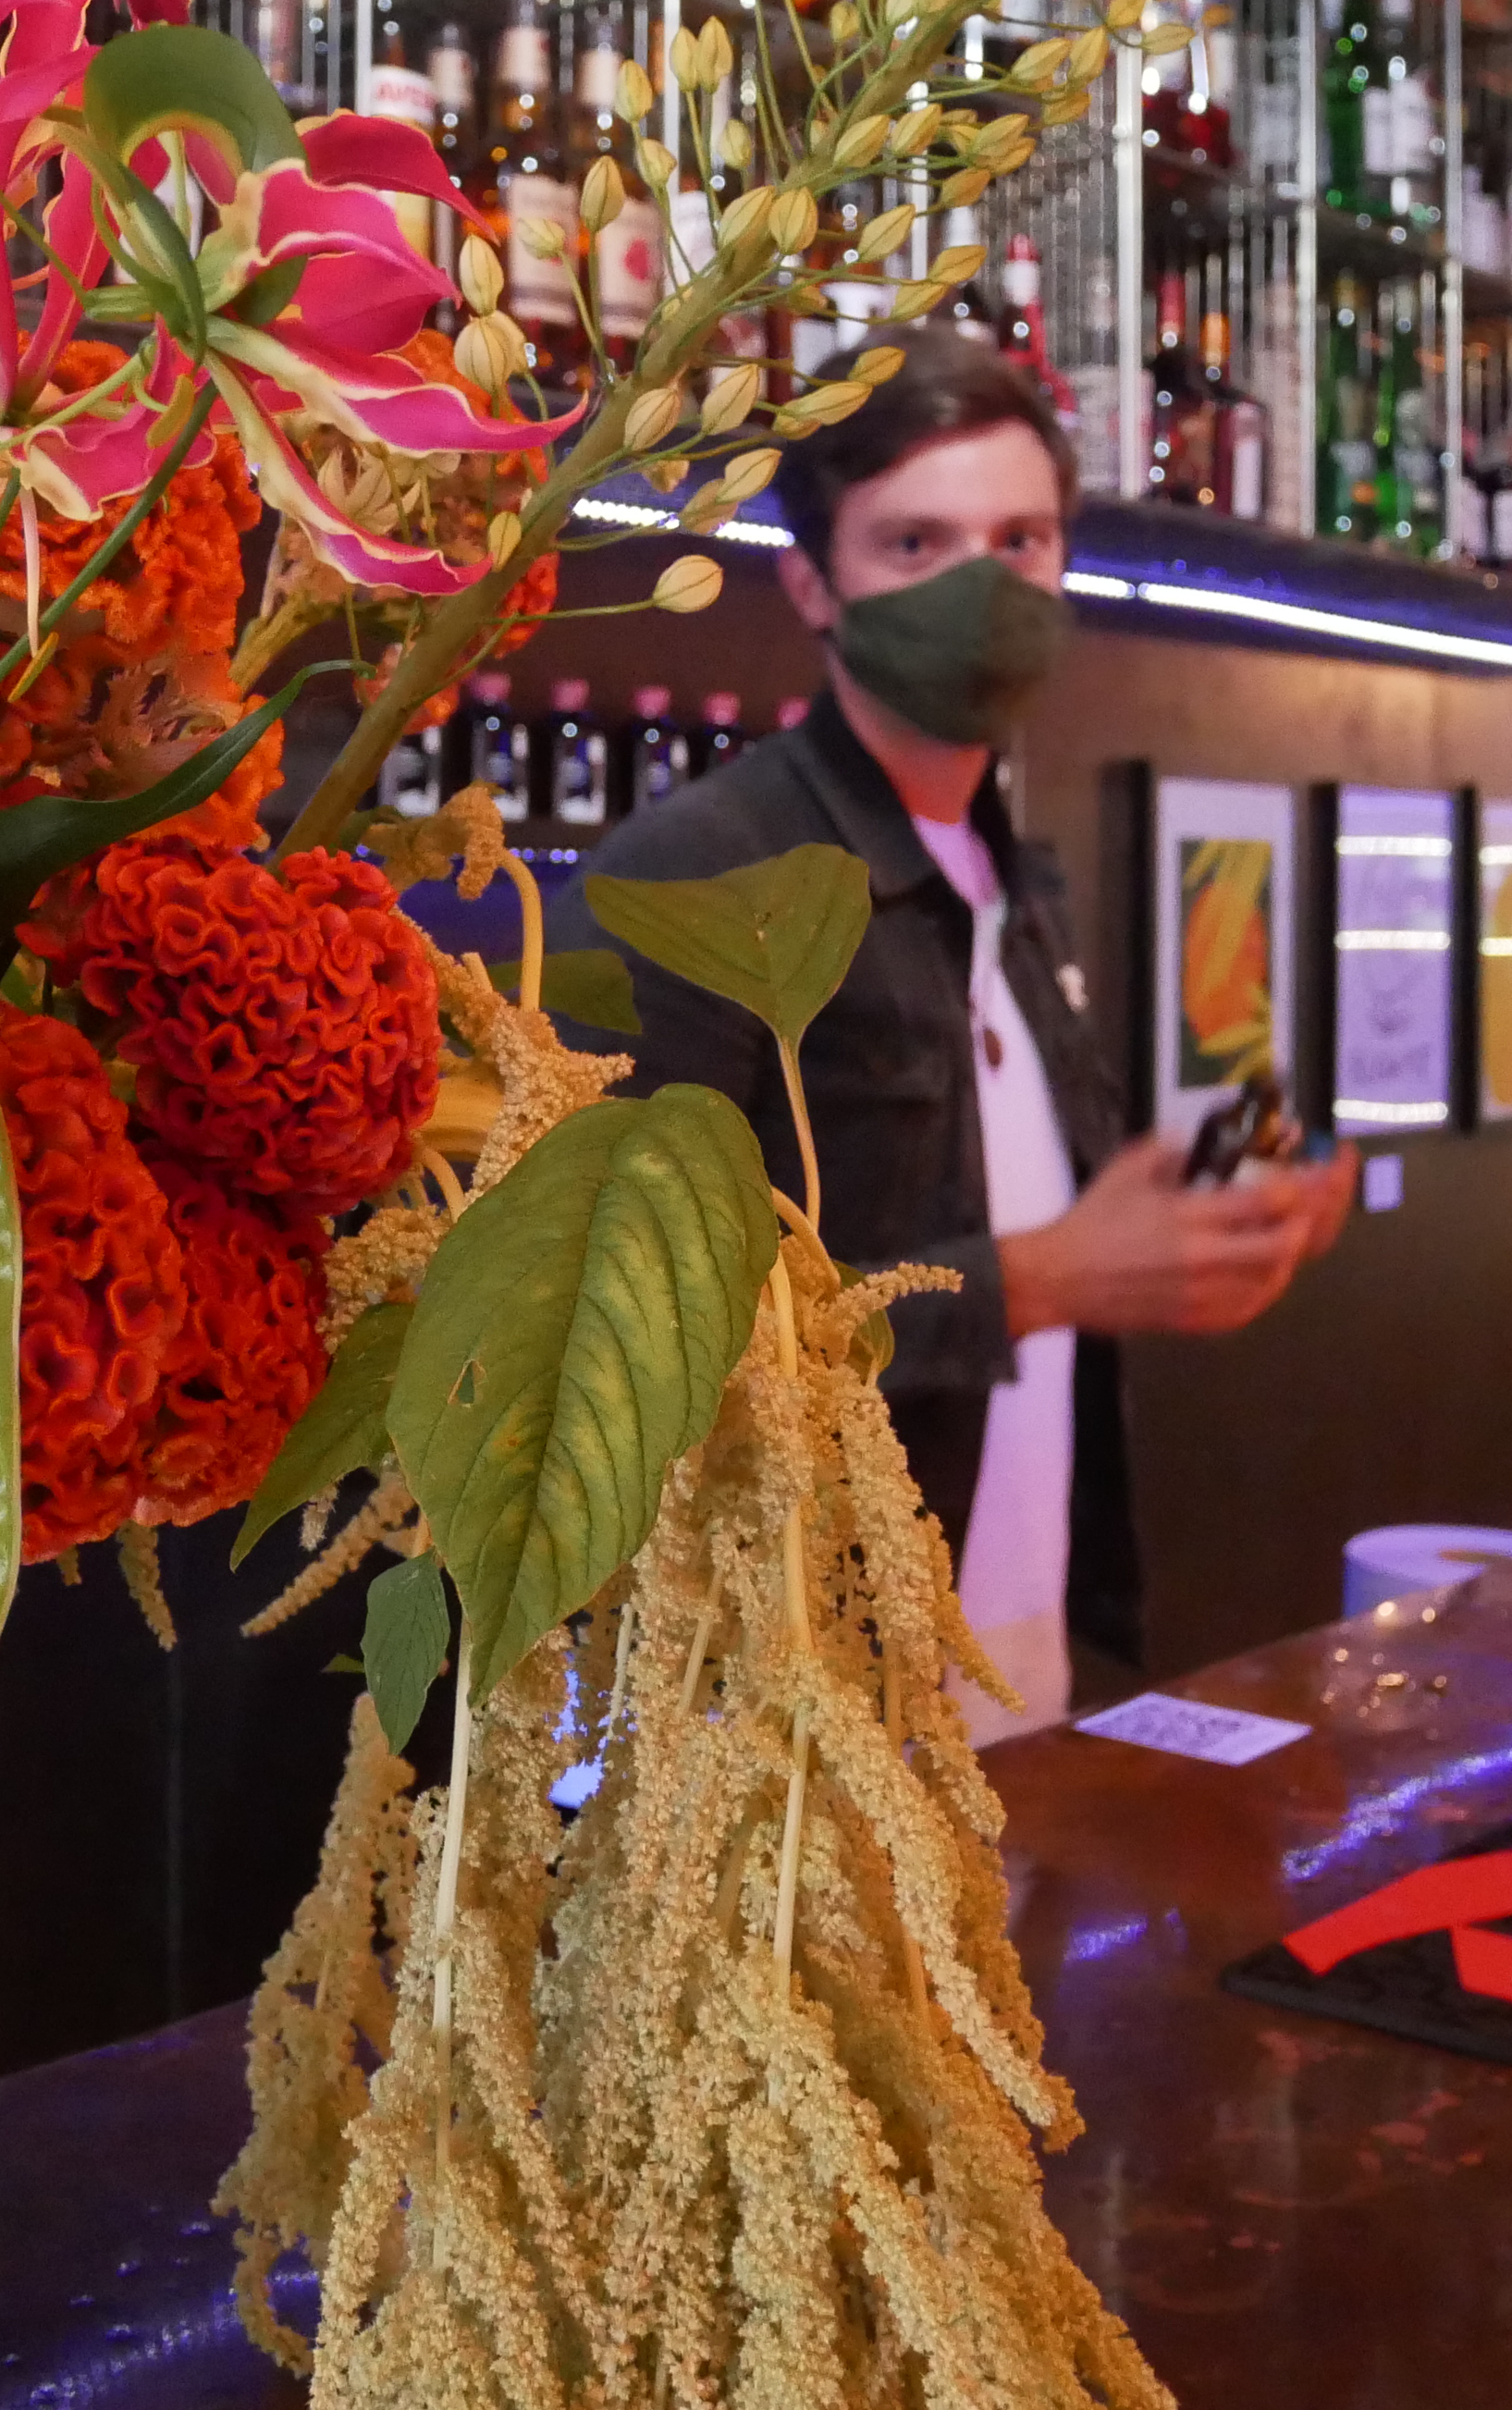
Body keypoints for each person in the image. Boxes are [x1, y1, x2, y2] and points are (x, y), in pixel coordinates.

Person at [566, 330, 1355, 1738]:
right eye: (917, 542)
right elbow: (627, 1348)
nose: (982, 589)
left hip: (1021, 1655)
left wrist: (1197, 1224)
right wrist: (1042, 1280)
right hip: (797, 1709)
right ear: (812, 581)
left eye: (1021, 538)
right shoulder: (703, 874)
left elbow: (1032, 1212)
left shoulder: (1013, 875)